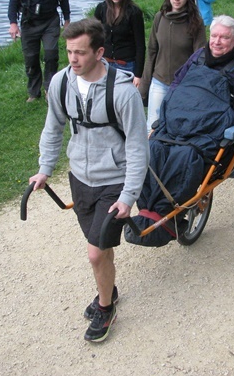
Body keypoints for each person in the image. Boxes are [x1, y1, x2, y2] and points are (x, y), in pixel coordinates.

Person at [28, 18, 149, 342]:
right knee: (101, 247)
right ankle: (108, 285)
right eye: (69, 52)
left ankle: (105, 307)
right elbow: (53, 128)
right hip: (80, 178)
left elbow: (138, 147)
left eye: (80, 53)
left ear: (99, 52)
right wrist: (45, 169)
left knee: (95, 252)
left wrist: (128, 196)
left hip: (114, 180)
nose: (73, 59)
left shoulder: (124, 94)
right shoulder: (60, 83)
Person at [130, 16, 234, 242]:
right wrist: (168, 110)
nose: (217, 41)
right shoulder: (197, 58)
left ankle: (170, 215)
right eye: (214, 36)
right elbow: (177, 85)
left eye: (224, 37)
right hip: (176, 123)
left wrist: (225, 119)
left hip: (206, 132)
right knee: (152, 151)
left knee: (184, 158)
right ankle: (148, 209)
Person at [139, 0, 206, 132]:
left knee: (178, 128)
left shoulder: (196, 22)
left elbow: (200, 58)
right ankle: (152, 156)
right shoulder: (159, 17)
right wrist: (144, 85)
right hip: (159, 81)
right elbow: (151, 52)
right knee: (153, 126)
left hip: (183, 84)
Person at [8, 0, 70, 102]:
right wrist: (13, 23)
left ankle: (50, 88)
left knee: (51, 54)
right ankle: (33, 92)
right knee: (31, 58)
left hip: (50, 20)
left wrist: (67, 19)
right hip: (30, 22)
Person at [93, 0, 145, 87]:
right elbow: (94, 36)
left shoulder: (134, 13)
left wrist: (138, 74)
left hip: (126, 65)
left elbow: (140, 45)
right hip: (105, 63)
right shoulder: (101, 8)